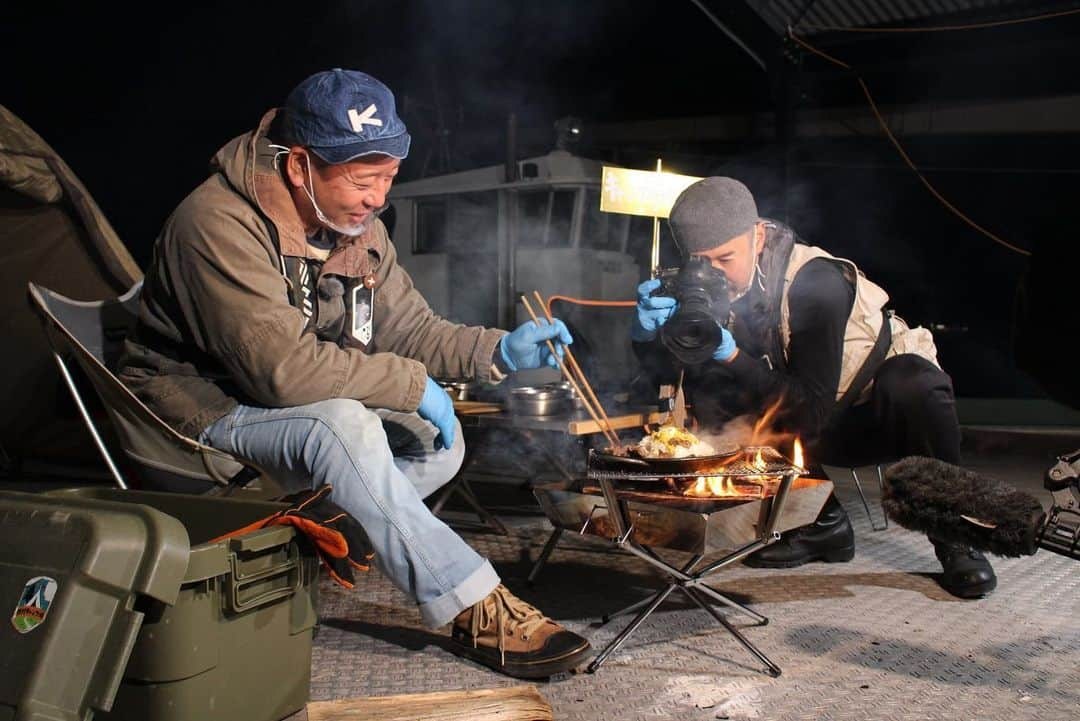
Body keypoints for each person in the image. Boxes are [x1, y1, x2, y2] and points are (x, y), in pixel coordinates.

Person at [118, 68, 592, 678]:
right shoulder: (215, 223)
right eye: (362, 180)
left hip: (282, 407)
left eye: (389, 178)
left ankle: (309, 545)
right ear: (300, 167)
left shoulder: (357, 229)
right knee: (344, 427)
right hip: (196, 409)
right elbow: (283, 372)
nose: (377, 199)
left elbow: (411, 330)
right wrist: (411, 385)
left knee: (437, 441)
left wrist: (498, 352)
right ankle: (474, 604)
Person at [631, 176, 996, 599]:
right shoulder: (702, 289)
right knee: (715, 391)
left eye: (725, 258)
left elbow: (811, 411)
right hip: (805, 427)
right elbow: (669, 378)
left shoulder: (814, 282)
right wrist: (644, 334)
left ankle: (958, 536)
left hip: (873, 416)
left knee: (913, 382)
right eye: (701, 262)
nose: (715, 274)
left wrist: (730, 354)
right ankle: (825, 526)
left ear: (758, 236)